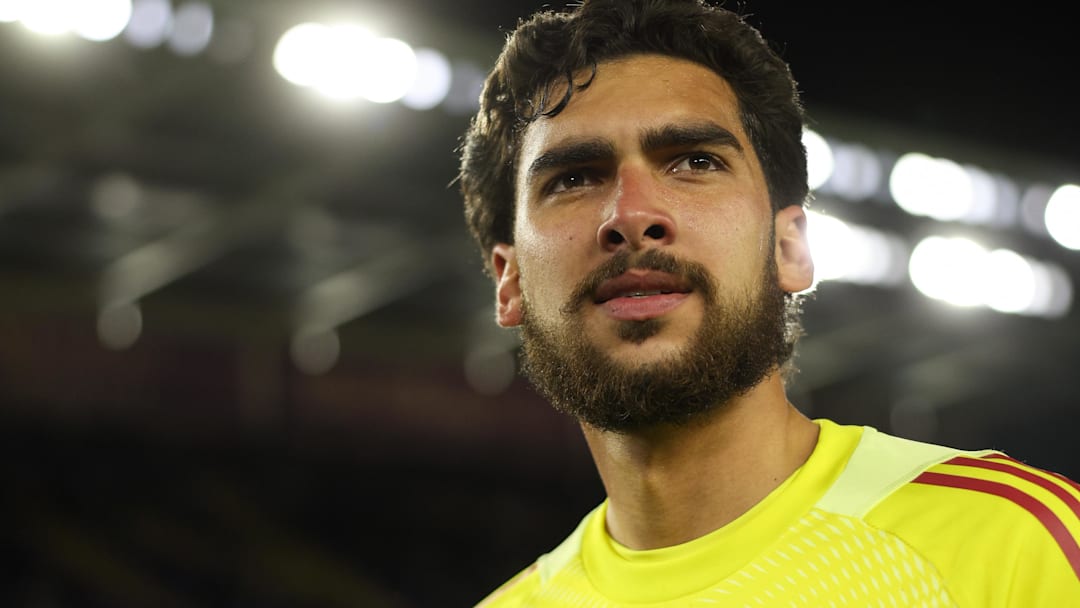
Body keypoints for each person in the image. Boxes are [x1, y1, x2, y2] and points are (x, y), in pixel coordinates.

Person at [455, 0, 1080, 605]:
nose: (632, 216)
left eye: (695, 162)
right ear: (508, 283)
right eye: (572, 178)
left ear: (790, 248)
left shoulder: (1016, 544)